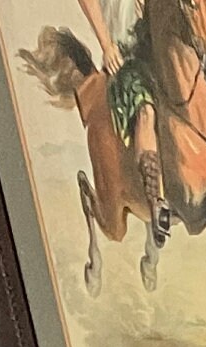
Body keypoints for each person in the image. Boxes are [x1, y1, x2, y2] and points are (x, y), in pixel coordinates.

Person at [74, 0, 164, 227]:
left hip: (160, 48)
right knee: (145, 111)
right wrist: (106, 45)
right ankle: (156, 202)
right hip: (126, 57)